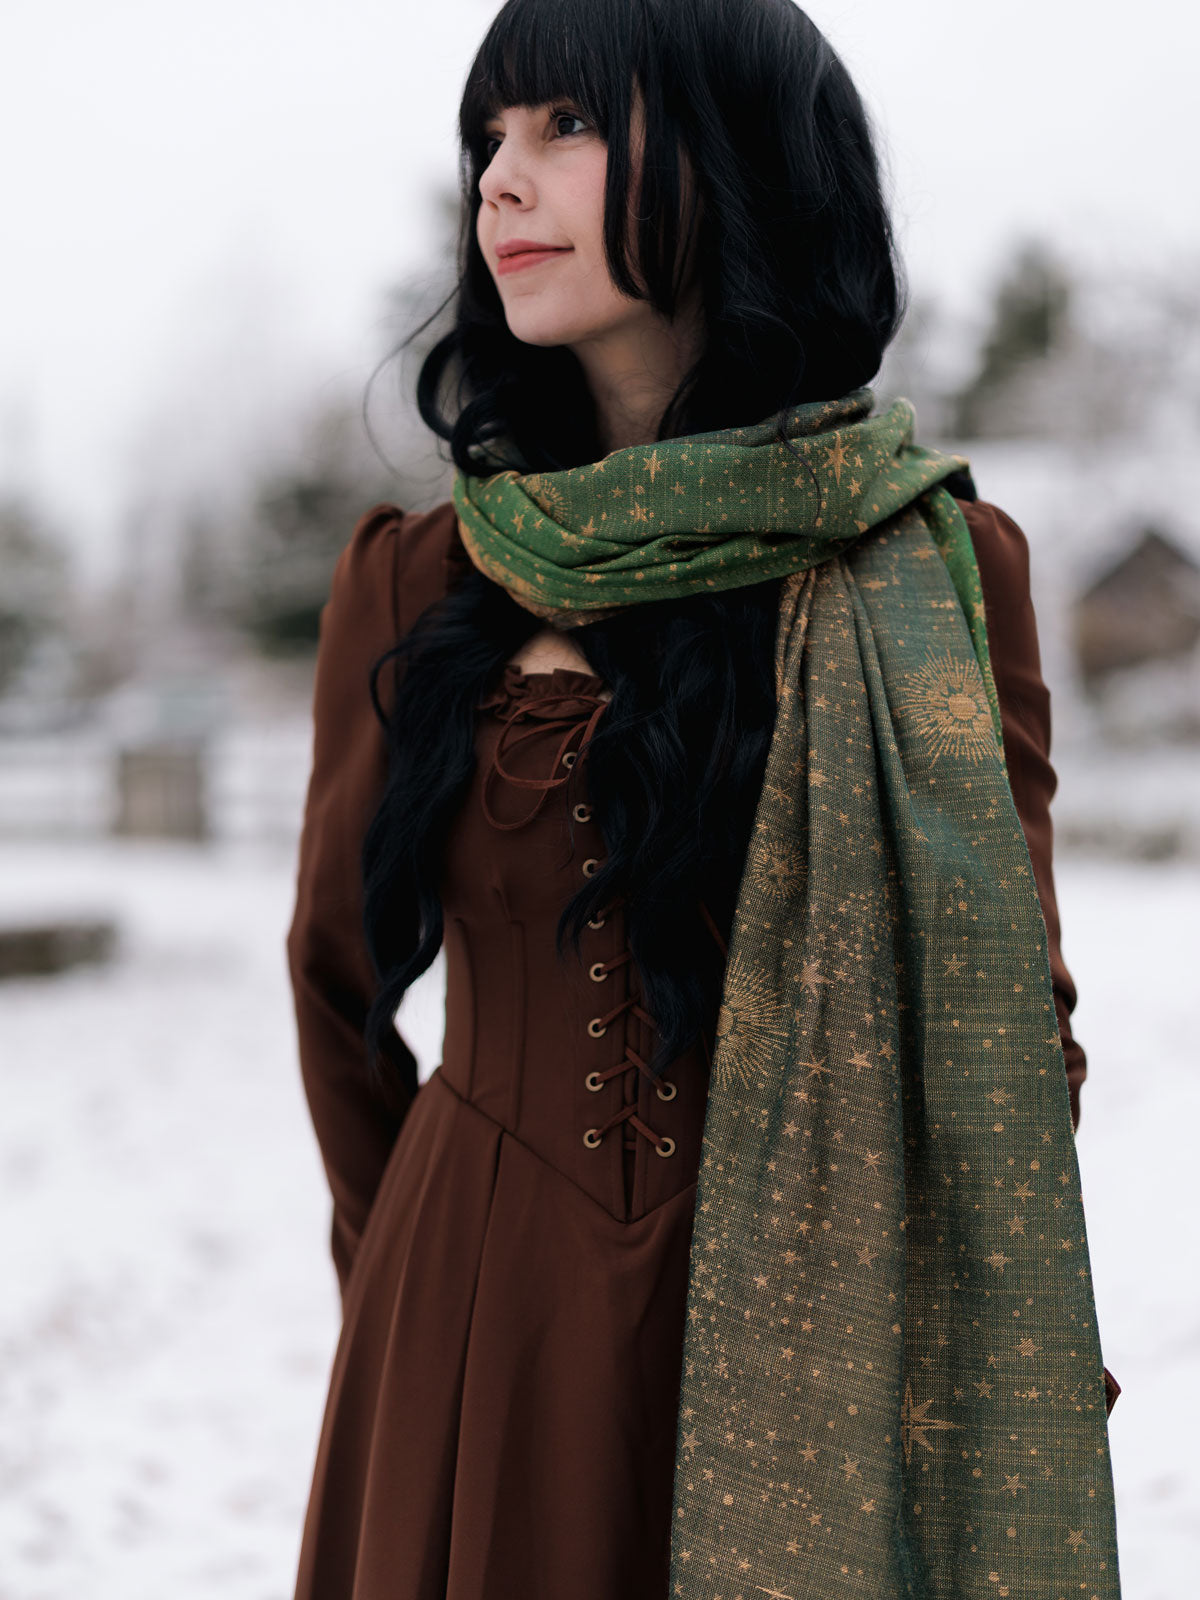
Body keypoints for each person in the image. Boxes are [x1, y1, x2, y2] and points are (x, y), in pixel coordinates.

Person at [285, 1, 1121, 1596]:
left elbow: (1014, 1019)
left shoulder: (934, 569)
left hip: (831, 1335)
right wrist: (406, 1294)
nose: (501, 182)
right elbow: (337, 987)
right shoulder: (420, 581)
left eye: (567, 126)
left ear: (737, 160)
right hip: (476, 1340)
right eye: (488, 138)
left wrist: (983, 1336)